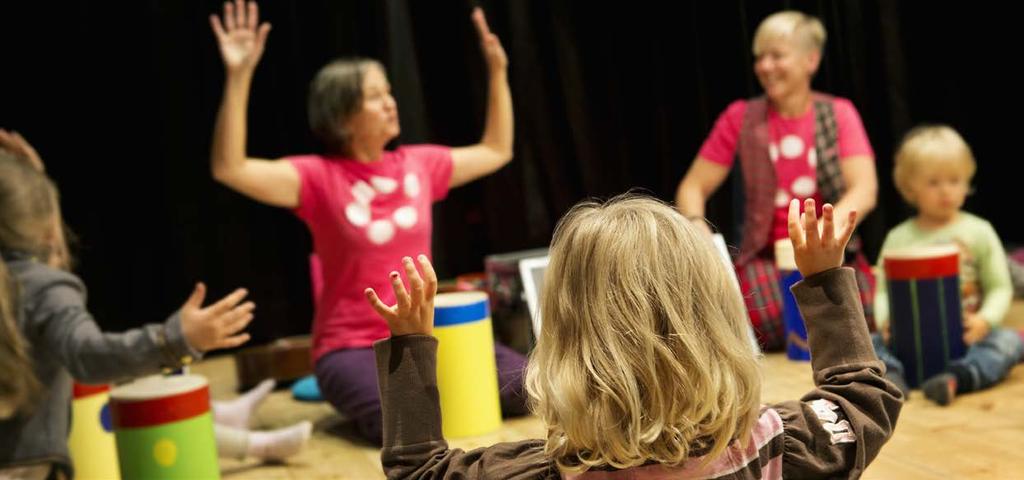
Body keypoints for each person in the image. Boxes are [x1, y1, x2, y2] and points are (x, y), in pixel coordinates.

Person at [365, 195, 902, 478]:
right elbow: (862, 400)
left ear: (566, 342)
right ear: (716, 323)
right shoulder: (775, 446)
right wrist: (825, 282)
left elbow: (420, 473)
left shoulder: (545, 474)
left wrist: (411, 348)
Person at [207, 0, 527, 444]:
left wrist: (497, 73)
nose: (391, 103)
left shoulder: (420, 164)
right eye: (375, 96)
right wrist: (239, 77)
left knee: (529, 389)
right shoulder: (316, 178)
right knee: (402, 424)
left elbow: (497, 149)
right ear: (342, 117)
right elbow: (230, 168)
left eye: (389, 92)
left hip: (430, 334)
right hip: (352, 347)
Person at [675, 10, 878, 349]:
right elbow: (692, 187)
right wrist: (697, 229)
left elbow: (864, 189)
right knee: (760, 317)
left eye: (777, 56)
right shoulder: (740, 117)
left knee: (865, 309)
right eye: (760, 58)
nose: (765, 67)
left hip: (827, 254)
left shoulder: (839, 113)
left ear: (810, 60)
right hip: (766, 260)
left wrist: (821, 239)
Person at [872, 125, 1024, 405]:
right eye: (933, 182)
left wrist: (984, 321)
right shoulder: (898, 237)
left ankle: (957, 379)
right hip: (909, 339)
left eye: (955, 180)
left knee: (1010, 342)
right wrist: (884, 322)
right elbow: (882, 291)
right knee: (869, 343)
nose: (946, 191)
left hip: (969, 340)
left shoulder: (979, 231)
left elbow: (1000, 288)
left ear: (967, 181)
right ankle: (893, 376)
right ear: (910, 186)